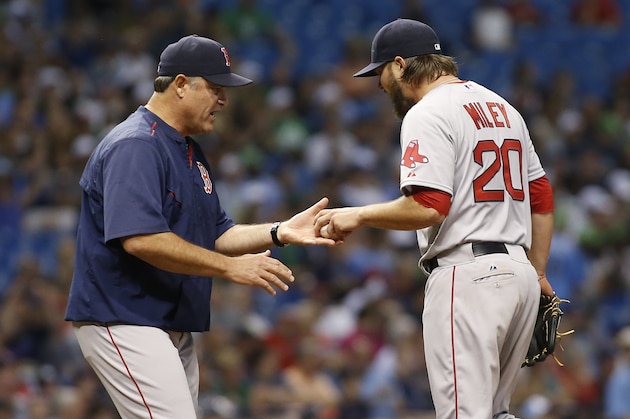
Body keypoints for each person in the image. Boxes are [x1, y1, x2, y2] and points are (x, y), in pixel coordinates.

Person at [64, 34, 337, 419]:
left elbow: (216, 233)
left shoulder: (187, 149)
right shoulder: (136, 145)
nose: (223, 100)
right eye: (215, 87)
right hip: (124, 317)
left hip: (165, 322)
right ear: (180, 84)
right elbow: (141, 240)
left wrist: (279, 231)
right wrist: (231, 268)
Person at [314, 19, 557, 418]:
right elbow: (542, 196)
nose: (379, 85)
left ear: (398, 65)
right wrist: (539, 272)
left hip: (468, 275)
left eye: (380, 73)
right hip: (520, 274)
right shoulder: (503, 107)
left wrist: (357, 215)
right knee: (497, 412)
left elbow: (428, 205)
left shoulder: (427, 112)